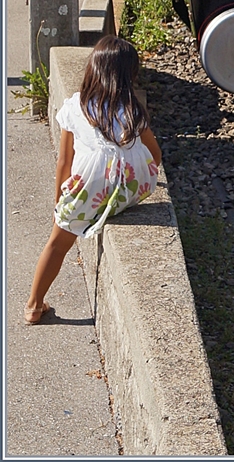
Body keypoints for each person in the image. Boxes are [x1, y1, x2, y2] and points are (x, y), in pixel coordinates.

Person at [24, 36, 161, 325]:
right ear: (129, 75)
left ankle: (34, 305)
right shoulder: (133, 109)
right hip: (131, 185)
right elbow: (155, 155)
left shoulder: (76, 106)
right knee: (117, 191)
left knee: (58, 243)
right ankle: (114, 205)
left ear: (93, 70)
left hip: (89, 187)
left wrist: (59, 201)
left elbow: (64, 161)